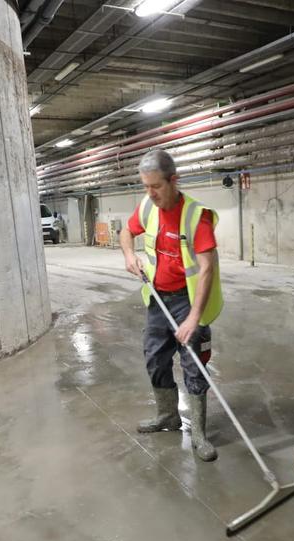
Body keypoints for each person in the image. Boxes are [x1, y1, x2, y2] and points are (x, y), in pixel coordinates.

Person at [120, 149, 223, 462]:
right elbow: (127, 231)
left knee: (194, 363)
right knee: (154, 357)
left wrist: (193, 318)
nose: (150, 194)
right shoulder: (147, 208)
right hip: (157, 299)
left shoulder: (196, 216)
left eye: (156, 186)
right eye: (146, 186)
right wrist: (129, 255)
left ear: (174, 180)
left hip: (188, 302)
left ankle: (200, 434)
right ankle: (168, 416)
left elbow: (207, 268)